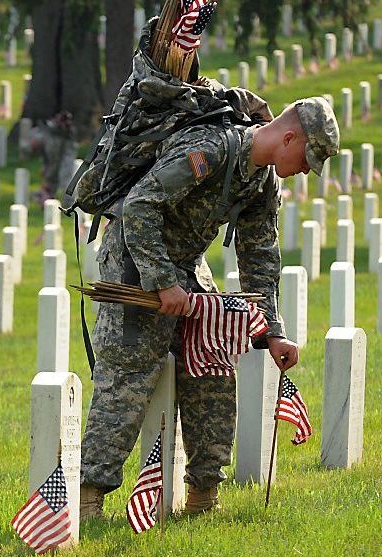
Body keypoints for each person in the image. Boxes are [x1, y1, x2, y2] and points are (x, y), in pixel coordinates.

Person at [79, 96, 340, 518]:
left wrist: (272, 331)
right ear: (289, 136)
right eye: (308, 157)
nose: (308, 169)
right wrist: (162, 282)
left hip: (184, 262)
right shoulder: (211, 149)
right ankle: (88, 496)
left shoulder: (262, 182)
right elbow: (141, 206)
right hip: (134, 256)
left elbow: (260, 256)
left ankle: (203, 493)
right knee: (130, 371)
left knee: (213, 360)